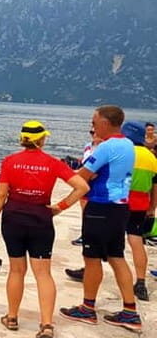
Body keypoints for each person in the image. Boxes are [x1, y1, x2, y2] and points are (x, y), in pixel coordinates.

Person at [0, 121, 89, 338]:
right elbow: (82, 186)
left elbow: (1, 195)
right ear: (42, 139)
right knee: (43, 273)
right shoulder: (53, 163)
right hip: (41, 219)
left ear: (22, 139)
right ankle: (46, 324)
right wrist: (60, 207)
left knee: (16, 270)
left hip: (13, 219)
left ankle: (12, 317)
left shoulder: (9, 161)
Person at [59, 105, 141, 332]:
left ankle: (87, 308)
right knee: (117, 256)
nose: (92, 127)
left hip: (100, 206)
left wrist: (62, 179)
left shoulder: (106, 147)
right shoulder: (128, 145)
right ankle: (130, 311)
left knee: (92, 258)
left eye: (94, 123)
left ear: (105, 123)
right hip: (120, 207)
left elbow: (82, 177)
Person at [64, 121, 157, 302]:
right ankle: (140, 282)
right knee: (134, 241)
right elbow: (154, 185)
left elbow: (92, 173)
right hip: (140, 203)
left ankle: (88, 276)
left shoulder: (120, 150)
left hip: (113, 202)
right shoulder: (151, 158)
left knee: (96, 246)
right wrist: (152, 207)